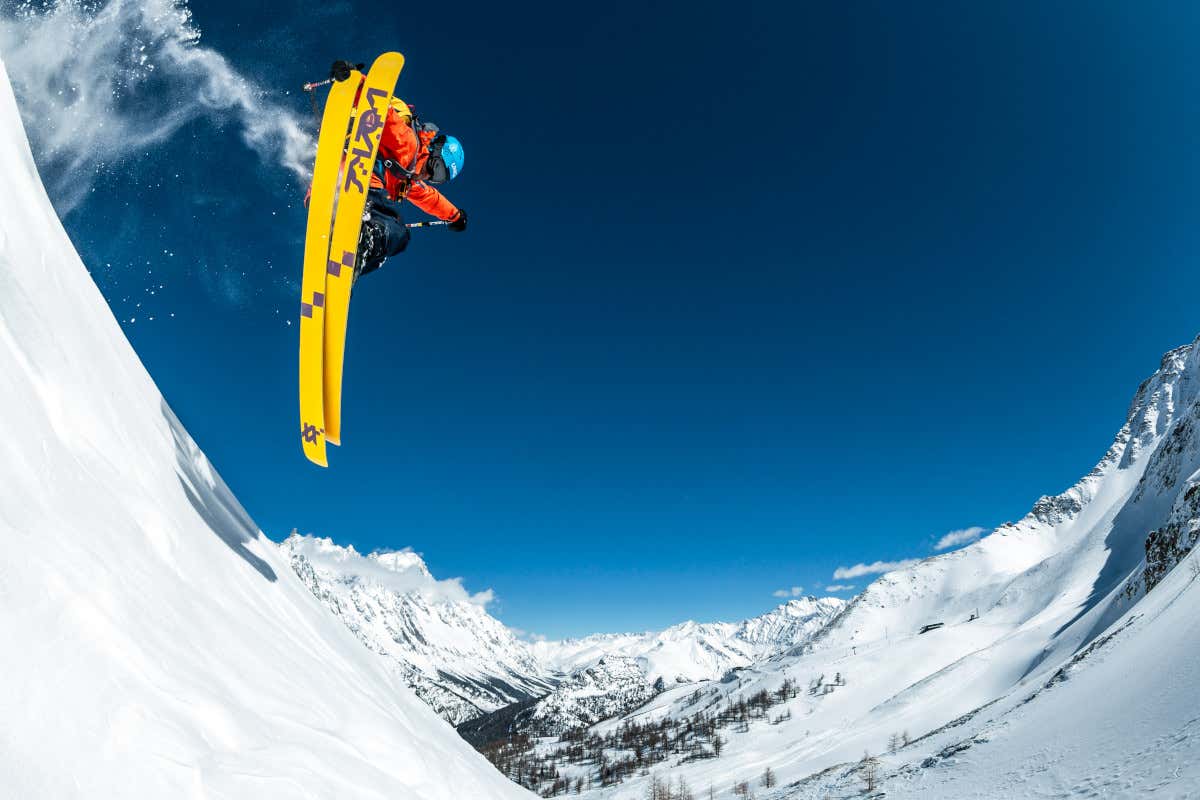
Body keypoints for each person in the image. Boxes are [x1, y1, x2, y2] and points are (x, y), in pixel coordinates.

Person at [356, 96, 467, 279]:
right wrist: (353, 82)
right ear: (433, 151)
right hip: (358, 183)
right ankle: (364, 236)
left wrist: (454, 216)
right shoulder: (408, 143)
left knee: (399, 238)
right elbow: (380, 108)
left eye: (438, 178)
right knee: (393, 230)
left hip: (336, 191)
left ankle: (350, 267)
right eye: (437, 167)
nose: (430, 176)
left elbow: (431, 199)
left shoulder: (408, 181)